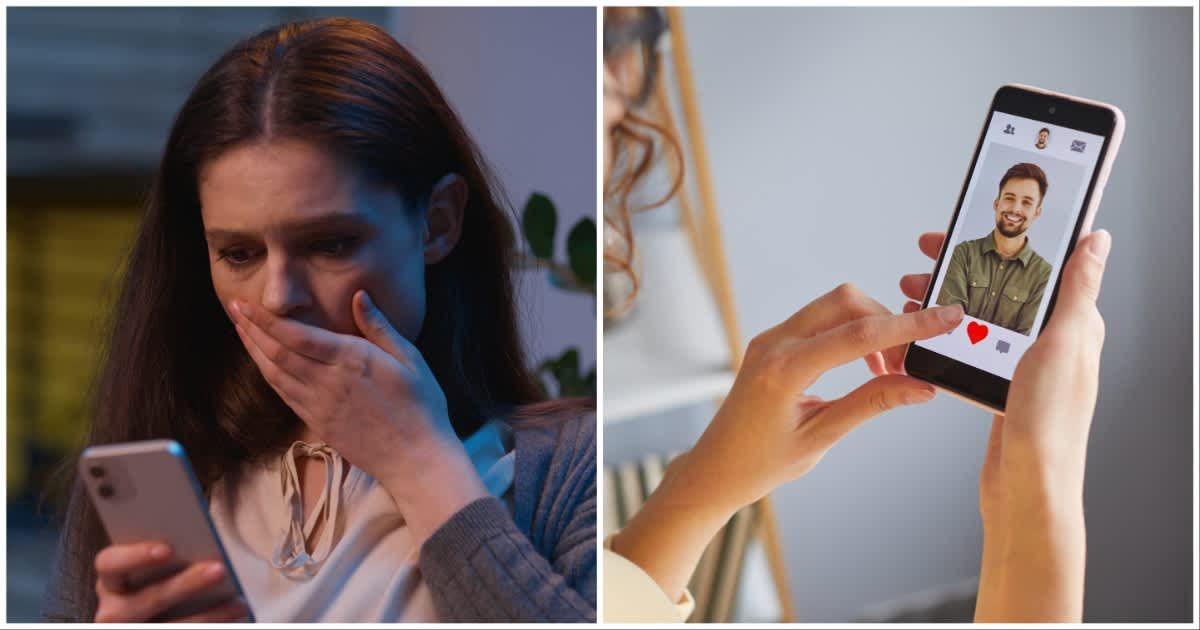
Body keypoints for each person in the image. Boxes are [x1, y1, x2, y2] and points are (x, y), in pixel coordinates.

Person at [42, 18, 595, 623]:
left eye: (330, 243)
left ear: (438, 223)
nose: (279, 297)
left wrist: (422, 465)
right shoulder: (157, 469)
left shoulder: (568, 469)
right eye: (239, 254)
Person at [603, 7, 1110, 623]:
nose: (619, 119)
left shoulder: (1033, 274)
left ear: (1034, 214)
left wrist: (694, 492)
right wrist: (1041, 491)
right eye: (607, 124)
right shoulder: (970, 257)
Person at [936, 162, 1053, 335]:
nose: (1015, 208)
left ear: (1037, 213)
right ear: (996, 203)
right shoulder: (963, 253)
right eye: (1009, 198)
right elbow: (947, 321)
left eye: (1026, 202)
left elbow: (1024, 340)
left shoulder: (1044, 275)